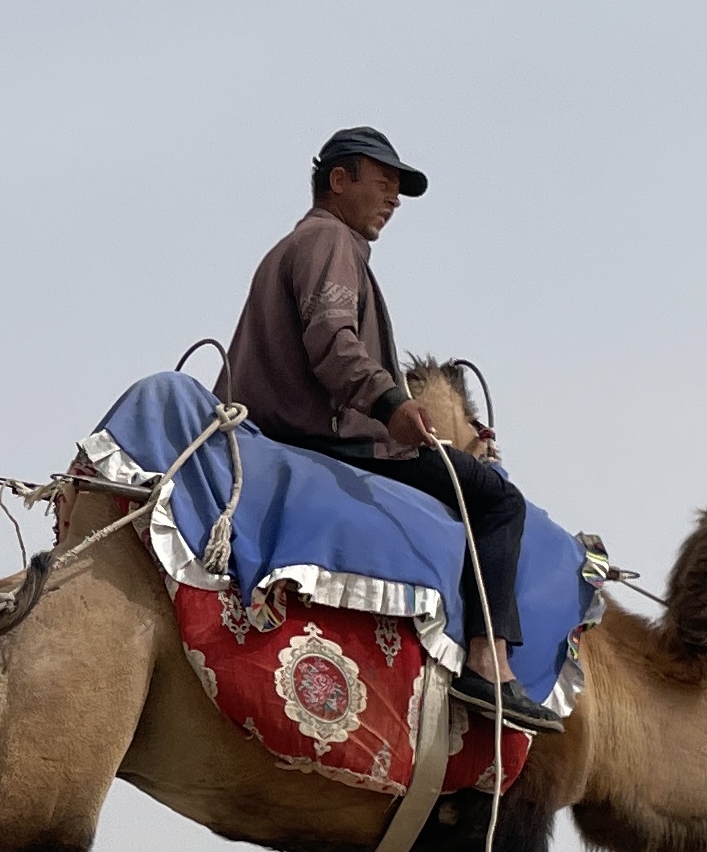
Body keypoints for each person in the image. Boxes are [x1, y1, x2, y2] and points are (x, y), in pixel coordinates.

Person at [215, 126, 559, 733]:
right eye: (383, 182)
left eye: (399, 188)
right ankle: (489, 664)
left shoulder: (290, 249)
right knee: (498, 501)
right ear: (338, 180)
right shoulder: (330, 240)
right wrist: (392, 403)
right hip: (330, 442)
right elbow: (333, 341)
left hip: (274, 438)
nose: (394, 198)